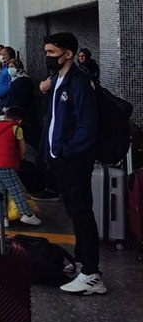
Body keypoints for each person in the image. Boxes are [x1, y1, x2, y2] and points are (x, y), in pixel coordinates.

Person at [41, 33, 105, 295]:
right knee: (74, 212)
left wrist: (66, 152)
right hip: (60, 158)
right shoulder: (59, 80)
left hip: (73, 160)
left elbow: (87, 126)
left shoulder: (78, 82)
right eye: (46, 52)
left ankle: (91, 273)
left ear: (68, 53)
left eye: (53, 53)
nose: (48, 57)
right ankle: (81, 262)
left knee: (81, 213)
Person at [0, 106, 42, 227]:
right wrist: (17, 159)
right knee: (16, 189)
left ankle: (2, 218)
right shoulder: (16, 128)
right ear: (19, 121)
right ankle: (27, 214)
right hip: (6, 164)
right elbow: (23, 150)